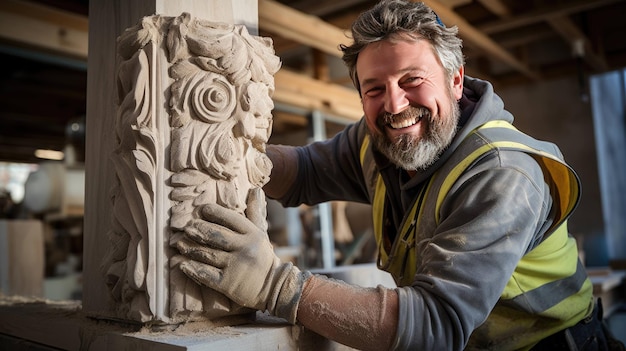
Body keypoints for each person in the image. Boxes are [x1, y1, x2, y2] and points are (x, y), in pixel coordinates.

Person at [177, 1, 624, 350]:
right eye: (374, 89)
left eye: (412, 80)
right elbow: (307, 171)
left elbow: (435, 326)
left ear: (455, 80)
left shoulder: (503, 174)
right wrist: (238, 155)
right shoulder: (378, 142)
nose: (393, 105)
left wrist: (277, 286)